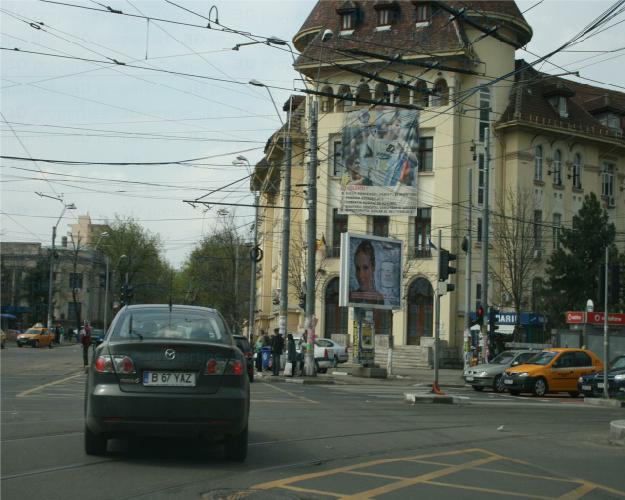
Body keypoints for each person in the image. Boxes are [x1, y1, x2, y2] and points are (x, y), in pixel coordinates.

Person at [349, 240, 385, 304]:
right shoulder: (351, 297)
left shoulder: (379, 298)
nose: (361, 275)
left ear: (373, 267)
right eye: (358, 269)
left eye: (365, 268)